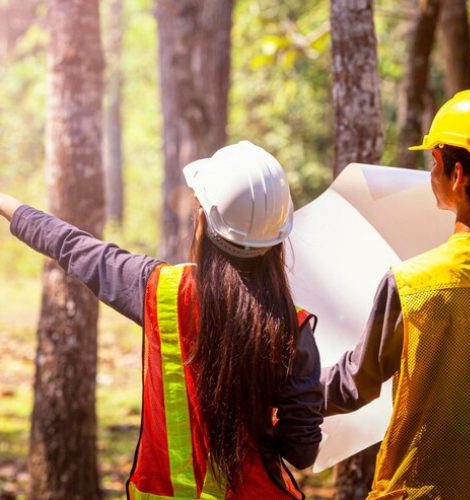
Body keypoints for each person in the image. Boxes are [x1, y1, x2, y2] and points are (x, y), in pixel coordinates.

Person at [0, 141, 323, 499]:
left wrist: (5, 202)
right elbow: (301, 451)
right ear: (279, 238)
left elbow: (71, 246)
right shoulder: (293, 327)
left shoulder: (159, 290)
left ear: (203, 220)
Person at [321, 89, 470, 499]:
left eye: (433, 161)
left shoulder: (412, 284)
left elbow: (355, 383)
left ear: (454, 173)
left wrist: (285, 392)